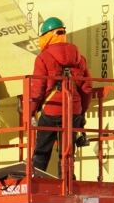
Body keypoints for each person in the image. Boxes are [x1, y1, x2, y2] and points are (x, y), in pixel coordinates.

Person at [29, 17, 92, 173]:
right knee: (67, 152)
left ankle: (37, 179)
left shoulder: (43, 58)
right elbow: (87, 88)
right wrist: (81, 112)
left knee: (42, 150)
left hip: (52, 109)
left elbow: (37, 89)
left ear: (47, 36)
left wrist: (30, 111)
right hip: (73, 110)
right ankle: (68, 182)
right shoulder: (79, 58)